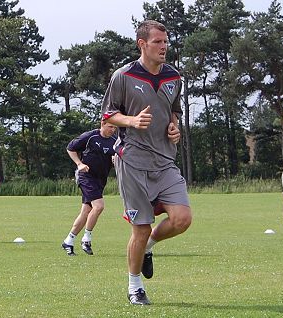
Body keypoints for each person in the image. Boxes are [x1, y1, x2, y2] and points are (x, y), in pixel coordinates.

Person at [101, 20, 192, 305]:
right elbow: (107, 116)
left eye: (166, 41)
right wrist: (131, 120)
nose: (164, 47)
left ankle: (149, 247)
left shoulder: (174, 77)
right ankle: (135, 286)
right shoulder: (123, 76)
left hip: (165, 160)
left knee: (182, 219)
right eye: (157, 42)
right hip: (132, 161)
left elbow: (173, 112)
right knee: (139, 227)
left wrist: (175, 128)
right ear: (142, 44)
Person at [61, 121, 117, 256]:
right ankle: (86, 239)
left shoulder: (115, 141)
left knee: (86, 212)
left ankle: (68, 241)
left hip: (100, 180)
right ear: (102, 124)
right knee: (99, 206)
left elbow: (118, 156)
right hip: (86, 177)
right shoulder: (90, 137)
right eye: (110, 126)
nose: (113, 130)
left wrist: (117, 161)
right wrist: (79, 164)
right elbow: (70, 148)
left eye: (115, 127)